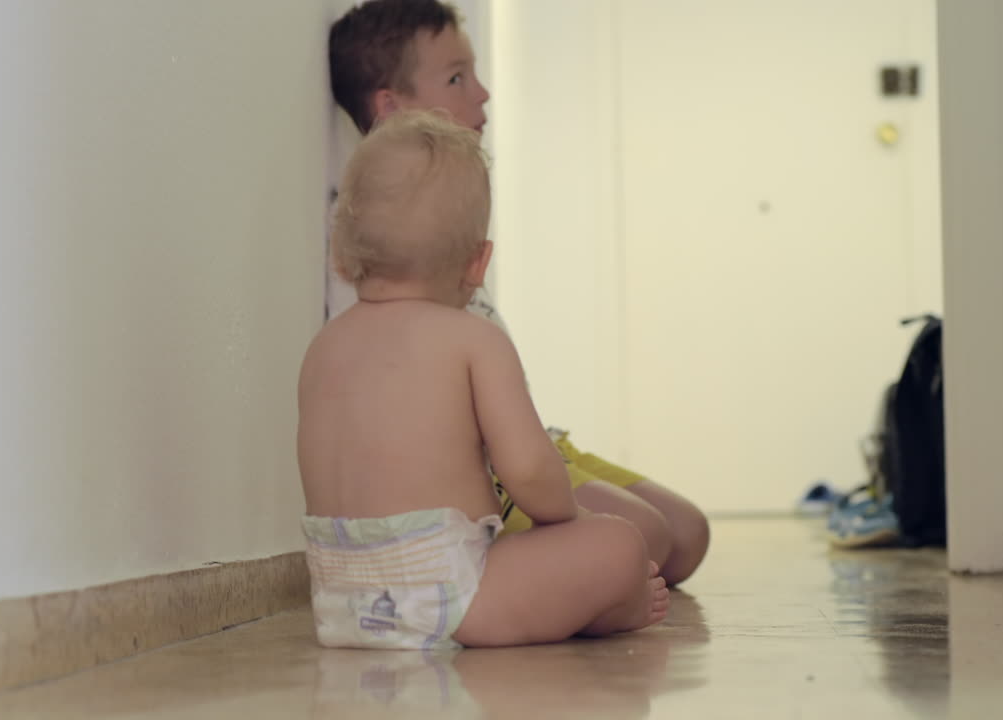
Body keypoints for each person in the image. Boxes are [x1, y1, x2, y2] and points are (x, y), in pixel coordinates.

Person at [327, 0, 709, 586]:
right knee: (647, 538)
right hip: (492, 465)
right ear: (390, 107)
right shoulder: (371, 242)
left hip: (534, 443)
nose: (482, 95)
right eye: (457, 77)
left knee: (687, 533)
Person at [298, 109, 669, 649]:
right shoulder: (473, 338)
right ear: (478, 264)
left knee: (585, 548)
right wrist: (566, 519)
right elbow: (529, 471)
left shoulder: (323, 347)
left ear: (340, 253)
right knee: (618, 543)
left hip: (340, 604)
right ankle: (614, 607)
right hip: (450, 596)